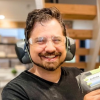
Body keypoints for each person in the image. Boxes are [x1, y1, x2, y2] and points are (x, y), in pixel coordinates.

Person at [1, 7, 100, 100]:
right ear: (26, 47)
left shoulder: (78, 76)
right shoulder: (15, 91)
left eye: (57, 40)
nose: (50, 48)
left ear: (67, 45)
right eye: (40, 40)